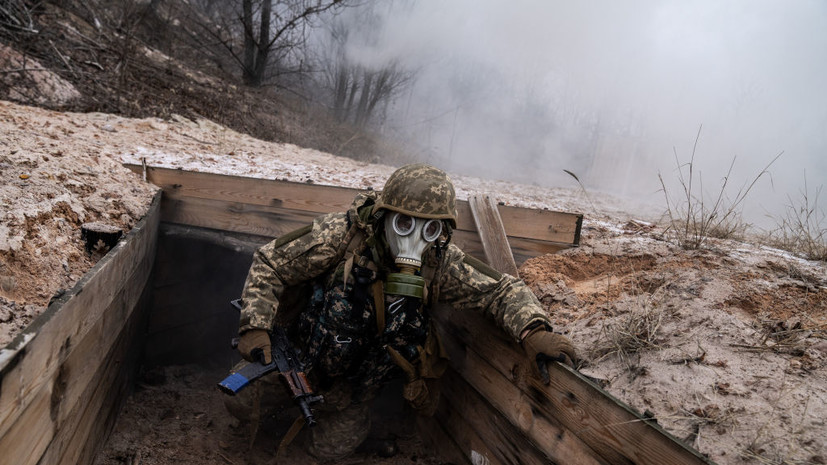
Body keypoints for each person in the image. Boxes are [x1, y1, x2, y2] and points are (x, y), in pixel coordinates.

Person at [226, 163, 576, 460]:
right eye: (404, 224)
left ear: (441, 232)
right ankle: (285, 408)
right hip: (302, 359)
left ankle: (339, 423)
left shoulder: (439, 264)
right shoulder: (342, 236)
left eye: (430, 228)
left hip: (353, 391)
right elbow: (271, 262)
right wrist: (255, 327)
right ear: (384, 216)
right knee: (240, 400)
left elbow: (502, 289)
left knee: (328, 449)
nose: (414, 240)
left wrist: (533, 331)